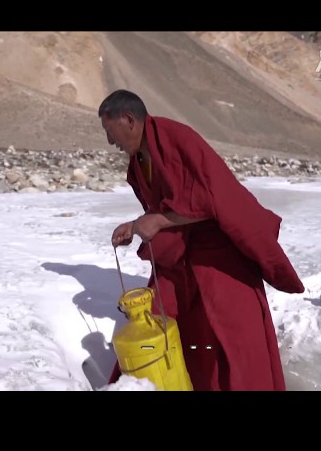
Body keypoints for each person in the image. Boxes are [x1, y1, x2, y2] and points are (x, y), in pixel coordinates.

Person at [99, 89, 305, 391]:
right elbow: (170, 205)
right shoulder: (140, 158)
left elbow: (213, 199)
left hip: (219, 254)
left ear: (128, 119)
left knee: (234, 340)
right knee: (162, 320)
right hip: (181, 256)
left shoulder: (176, 139)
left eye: (109, 131)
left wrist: (156, 221)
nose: (109, 141)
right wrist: (136, 225)